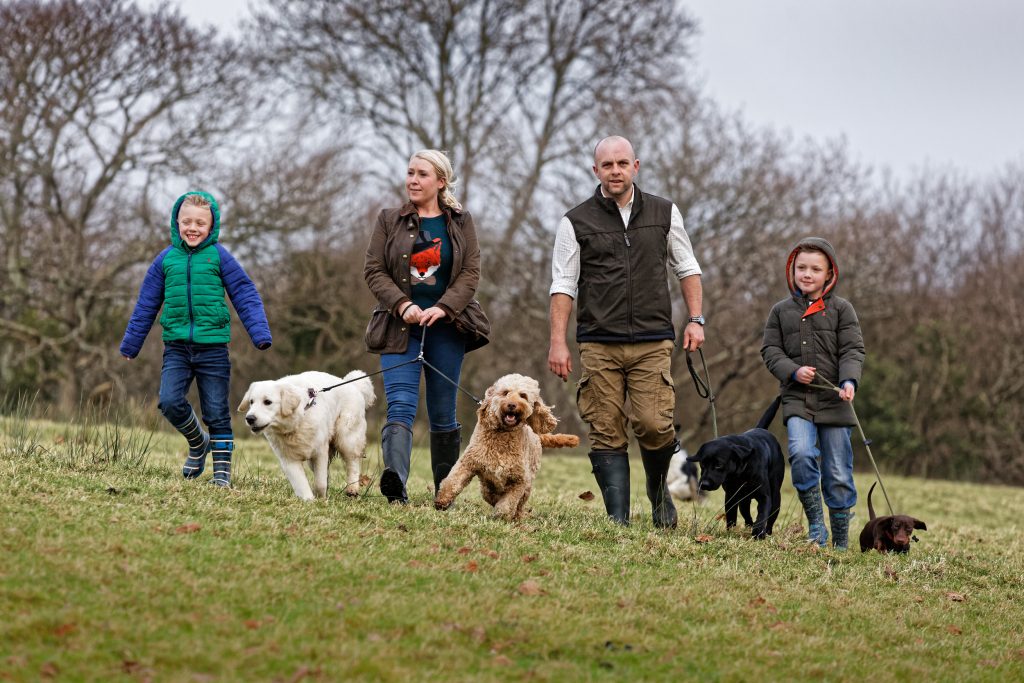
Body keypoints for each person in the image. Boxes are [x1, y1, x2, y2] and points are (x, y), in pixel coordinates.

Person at [548, 136, 704, 528]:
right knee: (605, 429)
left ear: (636, 166)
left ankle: (657, 492)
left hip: (653, 341)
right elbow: (563, 284)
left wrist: (696, 319)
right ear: (595, 170)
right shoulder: (576, 221)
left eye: (622, 163)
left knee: (655, 424)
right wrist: (558, 342)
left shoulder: (664, 213)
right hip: (598, 342)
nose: (615, 170)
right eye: (607, 164)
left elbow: (687, 267)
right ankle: (618, 518)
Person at [120, 190, 272, 487]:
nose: (193, 228)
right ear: (176, 223)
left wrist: (259, 333)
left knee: (216, 411)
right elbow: (146, 303)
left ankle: (222, 476)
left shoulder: (219, 256)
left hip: (213, 347)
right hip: (176, 347)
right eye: (186, 221)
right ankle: (198, 442)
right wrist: (131, 343)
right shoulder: (165, 260)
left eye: (200, 223)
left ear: (211, 226)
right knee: (168, 401)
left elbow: (244, 292)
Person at [364, 150, 490, 504]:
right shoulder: (388, 220)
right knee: (400, 405)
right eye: (410, 173)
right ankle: (396, 486)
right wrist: (402, 305)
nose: (413, 180)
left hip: (447, 328)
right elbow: (374, 270)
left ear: (440, 182)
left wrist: (444, 307)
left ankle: (444, 492)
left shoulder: (461, 222)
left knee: (442, 411)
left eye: (422, 174)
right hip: (398, 327)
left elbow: (470, 273)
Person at [761, 237, 865, 550]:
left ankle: (841, 541)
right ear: (791, 271)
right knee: (802, 454)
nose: (807, 274)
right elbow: (770, 349)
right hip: (797, 399)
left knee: (837, 471)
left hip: (836, 401)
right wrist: (792, 370)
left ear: (829, 274)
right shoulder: (780, 311)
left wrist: (849, 381)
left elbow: (853, 349)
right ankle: (816, 525)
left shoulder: (842, 309)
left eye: (815, 269)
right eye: (801, 268)